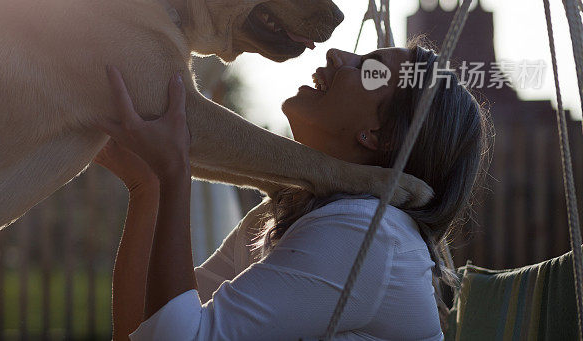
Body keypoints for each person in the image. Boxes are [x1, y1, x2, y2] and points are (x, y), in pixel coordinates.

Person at [94, 40, 492, 340]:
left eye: (370, 70)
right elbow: (141, 328)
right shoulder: (289, 214)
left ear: (379, 135)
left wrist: (173, 169)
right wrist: (147, 187)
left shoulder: (366, 235)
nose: (338, 54)